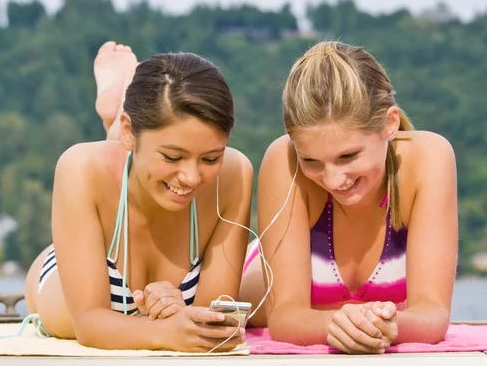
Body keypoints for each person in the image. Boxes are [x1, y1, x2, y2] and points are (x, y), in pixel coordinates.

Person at [24, 42, 253, 352]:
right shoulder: (79, 167)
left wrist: (181, 314)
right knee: (115, 164)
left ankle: (120, 106)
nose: (192, 177)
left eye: (210, 159)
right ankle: (119, 113)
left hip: (134, 151)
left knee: (139, 162)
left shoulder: (235, 173)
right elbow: (89, 324)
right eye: (173, 157)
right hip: (80, 259)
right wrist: (167, 330)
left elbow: (216, 322)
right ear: (130, 131)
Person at [239, 41, 458, 354]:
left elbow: (434, 314)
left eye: (348, 156)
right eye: (311, 160)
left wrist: (391, 327)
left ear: (390, 123)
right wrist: (341, 325)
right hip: (258, 275)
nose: (332, 180)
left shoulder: (429, 159)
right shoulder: (284, 160)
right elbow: (283, 317)